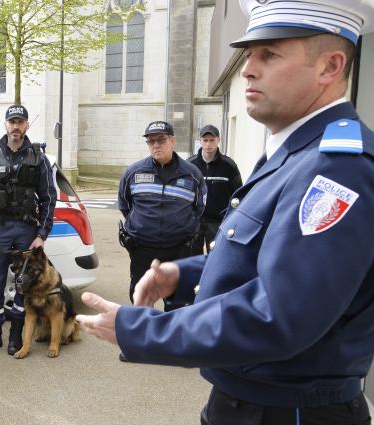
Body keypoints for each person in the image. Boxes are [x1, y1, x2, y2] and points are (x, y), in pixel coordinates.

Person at [78, 1, 374, 424]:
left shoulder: (336, 168)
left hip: (288, 411)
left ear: (330, 66)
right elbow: (267, 254)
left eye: (269, 54)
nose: (248, 69)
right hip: (253, 401)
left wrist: (139, 330)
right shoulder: (297, 152)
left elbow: (280, 314)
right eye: (249, 54)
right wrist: (183, 273)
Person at [0, 105, 56, 356]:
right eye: (12, 122)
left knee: (24, 285)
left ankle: (16, 336)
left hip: (26, 230)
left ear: (27, 125)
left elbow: (48, 199)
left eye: (20, 122)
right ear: (6, 125)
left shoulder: (38, 159)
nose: (16, 126)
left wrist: (41, 235)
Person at [117, 120, 206, 313]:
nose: (156, 145)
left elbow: (199, 208)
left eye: (161, 140)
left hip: (178, 250)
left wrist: (181, 226)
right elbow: (125, 205)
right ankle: (142, 330)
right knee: (140, 300)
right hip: (142, 249)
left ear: (172, 140)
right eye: (151, 141)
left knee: (178, 304)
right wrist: (142, 225)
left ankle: (172, 331)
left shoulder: (192, 174)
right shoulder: (134, 172)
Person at [187, 125, 242, 254]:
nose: (208, 144)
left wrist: (232, 219)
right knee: (192, 257)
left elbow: (239, 194)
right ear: (200, 141)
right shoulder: (190, 165)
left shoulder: (229, 166)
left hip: (218, 223)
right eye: (205, 140)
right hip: (194, 221)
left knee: (216, 257)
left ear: (218, 140)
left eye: (212, 140)